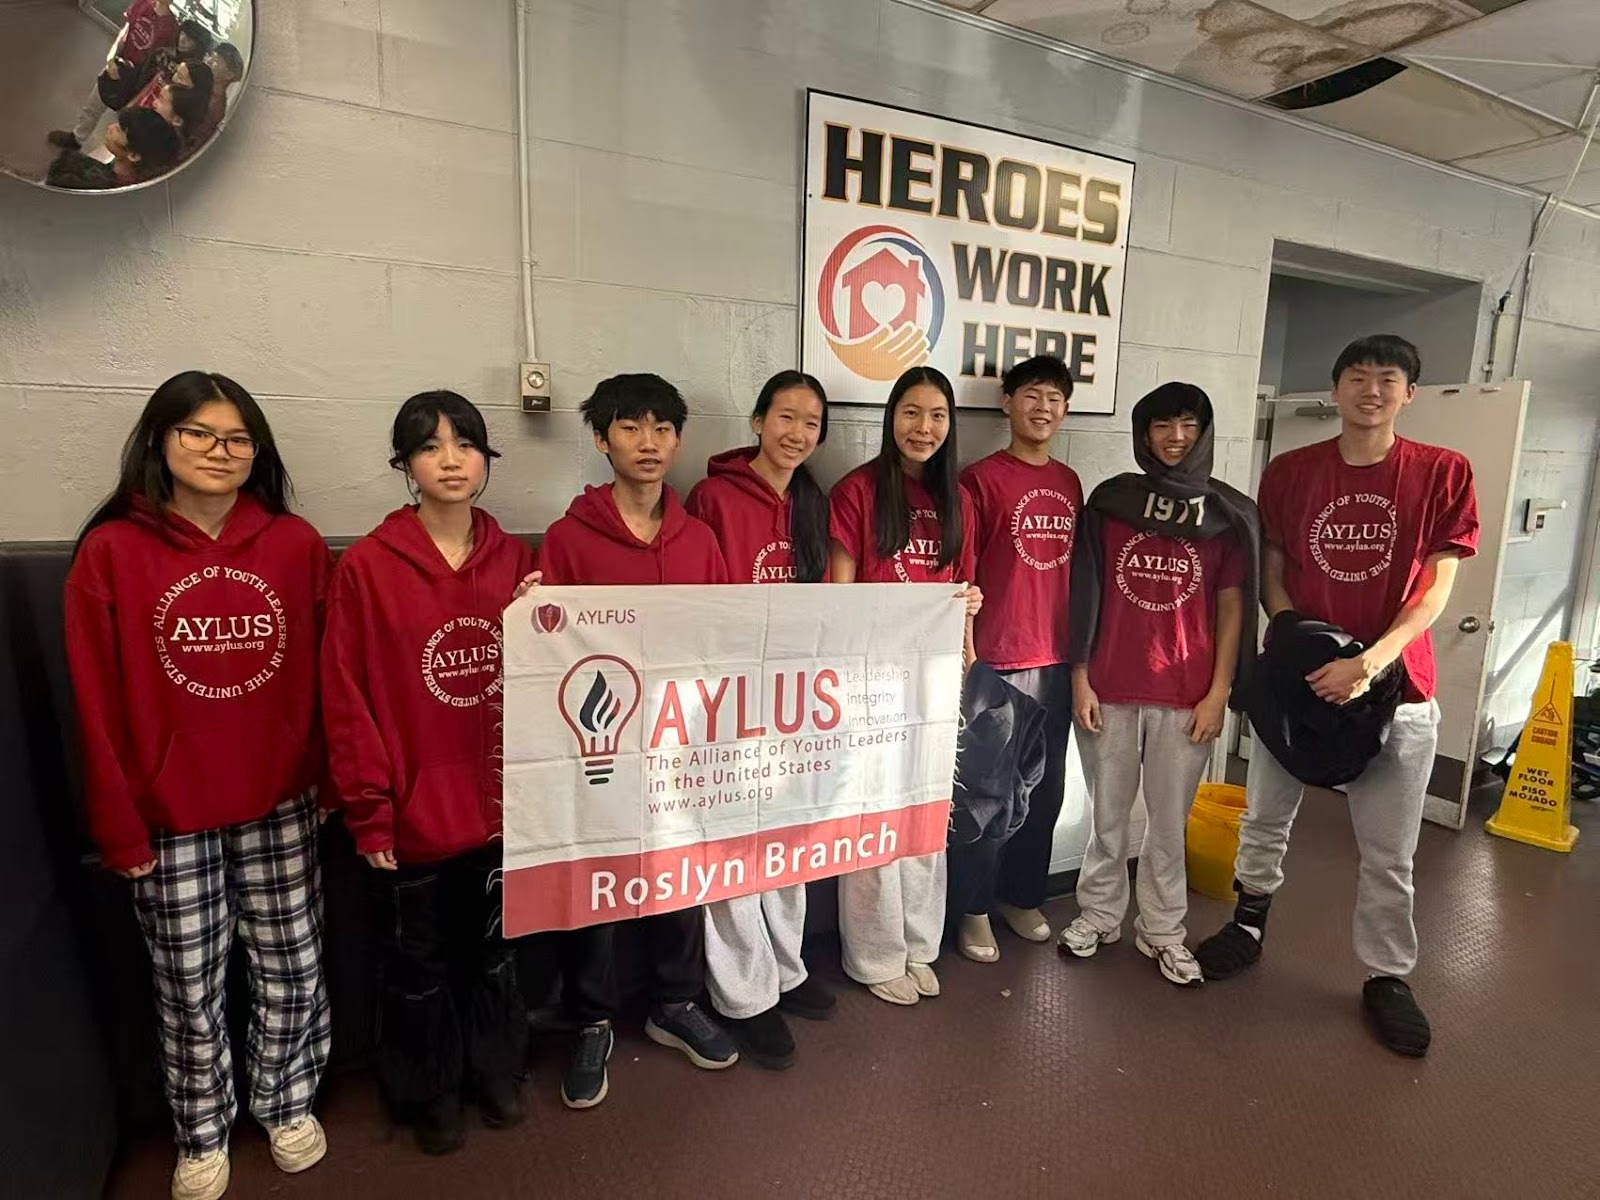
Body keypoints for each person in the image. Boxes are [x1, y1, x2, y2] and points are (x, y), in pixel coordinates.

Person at [65, 372, 331, 1200]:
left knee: (293, 964)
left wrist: (328, 779)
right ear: (160, 441)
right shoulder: (111, 551)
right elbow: (94, 700)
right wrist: (118, 825)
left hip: (281, 797)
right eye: (199, 434)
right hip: (166, 812)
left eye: (238, 438)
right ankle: (203, 1130)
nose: (221, 452)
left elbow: (330, 673)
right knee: (187, 983)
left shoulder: (295, 545)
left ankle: (287, 1102)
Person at [1194, 335, 1478, 1057]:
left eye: (1387, 379)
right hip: (1296, 683)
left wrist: (1369, 662)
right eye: (1357, 376)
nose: (1371, 390)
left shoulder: (1442, 472)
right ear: (1335, 388)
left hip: (1397, 690)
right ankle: (1248, 923)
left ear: (1409, 393)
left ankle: (1387, 974)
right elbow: (1272, 570)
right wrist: (1303, 643)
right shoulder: (1291, 472)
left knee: (1389, 853)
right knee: (1264, 818)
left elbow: (1436, 587)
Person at [320, 391, 535, 1154]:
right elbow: (345, 696)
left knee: (495, 956)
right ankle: (428, 1090)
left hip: (501, 809)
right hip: (410, 814)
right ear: (405, 465)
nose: (451, 461)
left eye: (466, 444)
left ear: (486, 460)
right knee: (418, 967)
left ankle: (495, 1069)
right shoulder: (367, 568)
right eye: (430, 446)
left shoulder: (518, 563)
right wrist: (369, 809)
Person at [536, 373, 740, 1108]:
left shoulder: (701, 541)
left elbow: (722, 640)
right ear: (601, 439)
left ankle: (674, 1003)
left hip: (680, 745)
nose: (647, 442)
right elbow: (547, 652)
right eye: (629, 427)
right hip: (599, 748)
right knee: (597, 883)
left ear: (678, 440)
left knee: (680, 874)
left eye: (662, 428)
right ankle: (592, 1020)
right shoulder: (567, 539)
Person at [1058, 382, 1257, 987]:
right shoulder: (1112, 503)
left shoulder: (1225, 515)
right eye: (1162, 425)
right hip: (1110, 688)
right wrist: (1080, 678)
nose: (1176, 438)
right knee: (1107, 819)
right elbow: (1084, 592)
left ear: (1204, 432)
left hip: (1187, 696)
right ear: (1143, 433)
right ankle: (1099, 914)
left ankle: (1164, 930)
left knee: (1169, 828)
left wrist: (1219, 692)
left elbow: (1231, 607)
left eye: (1189, 425)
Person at [684, 370, 839, 1070]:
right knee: (730, 849)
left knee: (787, 843)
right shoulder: (712, 497)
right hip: (729, 701)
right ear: (756, 421)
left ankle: (787, 968)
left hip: (794, 700)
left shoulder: (812, 501)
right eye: (786, 416)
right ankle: (744, 995)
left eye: (811, 422)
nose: (797, 433)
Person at [828, 365, 982, 1006]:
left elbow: (962, 587)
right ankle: (875, 954)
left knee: (926, 811)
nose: (924, 427)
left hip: (934, 680)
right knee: (873, 815)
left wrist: (968, 623)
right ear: (892, 417)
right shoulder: (857, 492)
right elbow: (839, 597)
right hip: (872, 683)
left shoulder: (959, 500)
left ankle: (920, 941)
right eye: (912, 412)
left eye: (938, 415)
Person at [953, 354, 1082, 960]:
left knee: (1046, 790)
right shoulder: (980, 480)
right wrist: (969, 652)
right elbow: (964, 572)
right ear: (1007, 402)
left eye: (1054, 398)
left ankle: (1022, 895)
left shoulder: (1070, 482)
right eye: (1031, 395)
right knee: (986, 796)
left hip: (1055, 660)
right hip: (997, 660)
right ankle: (973, 909)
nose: (1042, 408)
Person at [49, 0, 178, 152]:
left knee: (125, 119)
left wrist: (142, 88)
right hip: (119, 64)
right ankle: (76, 139)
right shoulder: (143, 3)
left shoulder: (171, 28)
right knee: (94, 104)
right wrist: (112, 57)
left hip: (138, 78)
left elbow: (159, 62)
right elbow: (126, 31)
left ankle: (118, 154)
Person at [47, 105, 179, 189]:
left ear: (133, 155)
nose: (110, 127)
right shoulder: (143, 178)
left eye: (119, 130)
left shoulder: (89, 183)